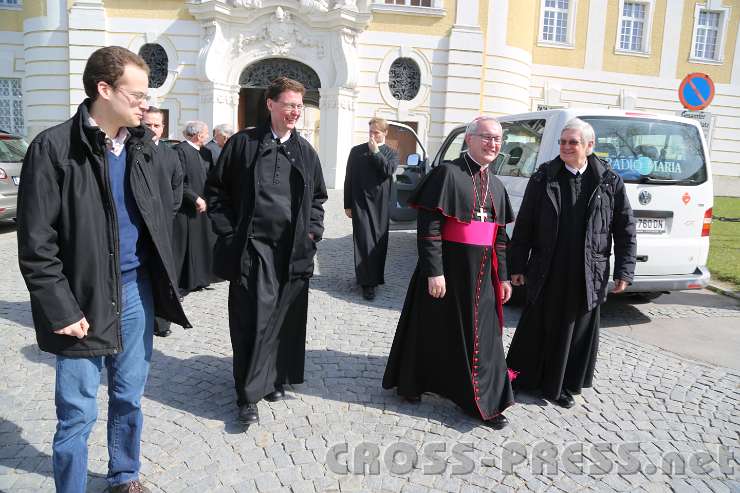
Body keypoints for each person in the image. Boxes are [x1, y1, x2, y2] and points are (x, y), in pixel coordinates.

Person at [16, 46, 190, 493]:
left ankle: (124, 475)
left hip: (136, 294)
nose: (146, 105)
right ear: (103, 89)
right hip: (81, 300)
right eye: (137, 95)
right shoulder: (54, 148)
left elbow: (158, 215)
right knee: (77, 413)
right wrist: (61, 309)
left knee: (129, 396)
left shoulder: (142, 148)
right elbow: (37, 245)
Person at [205, 77, 327, 426]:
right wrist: (229, 234)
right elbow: (216, 192)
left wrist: (313, 230)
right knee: (253, 318)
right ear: (270, 104)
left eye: (298, 106)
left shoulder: (305, 151)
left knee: (284, 318)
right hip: (252, 248)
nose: (294, 112)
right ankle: (247, 395)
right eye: (288, 104)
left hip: (291, 251)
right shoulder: (243, 144)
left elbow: (318, 197)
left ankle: (275, 379)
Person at [382, 116, 515, 430]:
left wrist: (505, 277)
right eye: (486, 137)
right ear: (469, 139)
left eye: (497, 139)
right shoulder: (447, 173)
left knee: (483, 337)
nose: (492, 144)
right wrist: (434, 271)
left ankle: (484, 403)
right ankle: (412, 383)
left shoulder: (496, 184)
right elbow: (429, 227)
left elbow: (499, 238)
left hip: (482, 276)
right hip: (448, 270)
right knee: (429, 330)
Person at [505, 118, 636, 409]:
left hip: (587, 271)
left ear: (589, 146)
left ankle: (562, 385)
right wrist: (516, 266)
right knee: (537, 324)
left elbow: (625, 228)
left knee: (572, 331)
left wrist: (625, 270)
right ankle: (518, 378)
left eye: (572, 142)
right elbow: (525, 223)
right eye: (563, 141)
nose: (565, 147)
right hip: (547, 266)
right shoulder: (544, 176)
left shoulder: (609, 181)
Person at [343, 117, 399, 300]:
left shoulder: (391, 153)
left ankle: (374, 279)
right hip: (360, 203)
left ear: (385, 133)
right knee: (363, 241)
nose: (373, 135)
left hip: (380, 206)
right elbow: (349, 178)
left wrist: (376, 153)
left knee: (378, 243)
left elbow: (388, 171)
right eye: (371, 132)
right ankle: (365, 282)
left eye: (376, 132)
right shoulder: (356, 151)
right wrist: (347, 204)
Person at [143, 106, 184, 337]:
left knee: (163, 273)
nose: (152, 129)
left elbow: (177, 187)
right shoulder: (131, 150)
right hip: (137, 224)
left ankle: (161, 322)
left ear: (163, 127)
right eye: (147, 124)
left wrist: (168, 214)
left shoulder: (171, 154)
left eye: (156, 125)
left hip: (165, 224)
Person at [173, 121, 216, 294]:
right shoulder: (180, 151)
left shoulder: (205, 152)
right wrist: (194, 197)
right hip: (187, 208)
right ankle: (182, 284)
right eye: (205, 133)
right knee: (185, 246)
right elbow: (178, 181)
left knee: (201, 244)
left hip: (203, 208)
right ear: (198, 135)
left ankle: (199, 279)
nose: (207, 137)